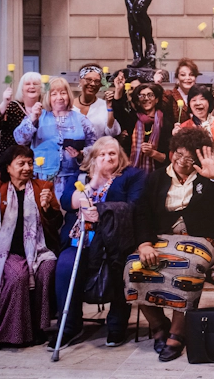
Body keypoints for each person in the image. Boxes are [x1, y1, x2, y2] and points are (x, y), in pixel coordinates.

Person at [133, 127, 214, 361]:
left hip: (204, 239)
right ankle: (158, 325)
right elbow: (141, 213)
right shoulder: (156, 177)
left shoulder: (206, 176)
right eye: (179, 154)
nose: (183, 161)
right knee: (133, 268)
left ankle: (178, 331)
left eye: (190, 157)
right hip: (162, 239)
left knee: (186, 267)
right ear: (171, 152)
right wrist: (145, 244)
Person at [57, 136, 149, 346]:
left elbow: (134, 206)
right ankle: (70, 326)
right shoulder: (81, 176)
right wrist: (94, 182)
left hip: (116, 240)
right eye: (102, 154)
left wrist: (102, 211)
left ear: (120, 156)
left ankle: (117, 324)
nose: (107, 158)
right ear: (93, 158)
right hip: (81, 240)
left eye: (112, 154)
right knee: (65, 266)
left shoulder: (132, 176)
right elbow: (67, 201)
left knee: (120, 266)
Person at [0, 145, 64, 352]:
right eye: (21, 163)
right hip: (6, 253)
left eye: (30, 163)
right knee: (17, 277)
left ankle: (37, 328)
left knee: (48, 268)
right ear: (9, 167)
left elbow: (56, 224)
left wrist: (49, 209)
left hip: (38, 250)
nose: (27, 168)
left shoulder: (43, 187)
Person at [13, 76, 96, 200]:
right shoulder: (39, 116)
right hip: (42, 177)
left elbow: (95, 148)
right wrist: (32, 118)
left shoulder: (81, 119)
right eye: (54, 94)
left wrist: (81, 154)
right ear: (48, 97)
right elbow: (20, 139)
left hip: (72, 178)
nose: (59, 97)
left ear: (68, 96)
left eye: (63, 93)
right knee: (44, 215)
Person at [0, 70, 43, 164]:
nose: (32, 86)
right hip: (11, 161)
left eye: (35, 84)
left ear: (41, 88)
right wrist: (5, 102)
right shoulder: (13, 107)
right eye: (27, 84)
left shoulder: (46, 109)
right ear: (21, 89)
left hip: (37, 162)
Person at [114, 82, 169, 176]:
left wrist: (153, 153)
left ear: (156, 100)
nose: (146, 98)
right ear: (138, 101)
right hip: (132, 172)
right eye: (142, 96)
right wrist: (118, 89)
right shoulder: (132, 119)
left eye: (150, 95)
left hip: (158, 174)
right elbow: (118, 110)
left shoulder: (166, 122)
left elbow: (167, 157)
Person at [72, 65, 122, 138]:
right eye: (89, 79)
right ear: (80, 81)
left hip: (97, 148)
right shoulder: (69, 106)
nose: (93, 84)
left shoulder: (104, 106)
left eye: (97, 81)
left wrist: (110, 109)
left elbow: (112, 133)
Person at [165, 59, 200, 125]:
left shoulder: (201, 96)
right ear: (177, 79)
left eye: (191, 75)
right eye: (183, 75)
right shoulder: (169, 96)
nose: (188, 78)